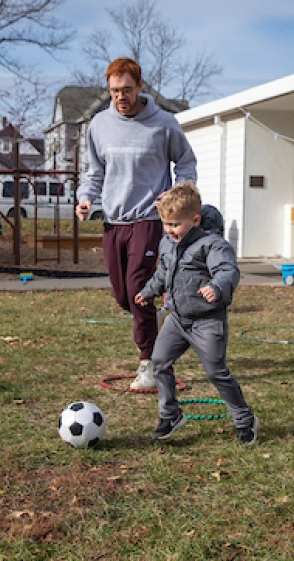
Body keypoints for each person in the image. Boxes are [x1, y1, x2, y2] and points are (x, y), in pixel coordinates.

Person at [76, 57, 197, 390]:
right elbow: (94, 171)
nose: (121, 97)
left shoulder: (163, 123)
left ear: (140, 87)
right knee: (122, 296)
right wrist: (86, 197)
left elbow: (186, 163)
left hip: (148, 219)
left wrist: (174, 198)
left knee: (138, 289)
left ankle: (149, 364)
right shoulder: (98, 125)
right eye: (115, 91)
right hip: (113, 220)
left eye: (127, 90)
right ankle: (151, 320)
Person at [134, 182, 258, 444]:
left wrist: (216, 286)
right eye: (166, 224)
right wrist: (147, 291)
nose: (171, 230)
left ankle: (245, 419)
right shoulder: (167, 243)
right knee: (159, 362)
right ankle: (170, 414)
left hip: (207, 321)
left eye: (176, 224)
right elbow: (162, 273)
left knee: (216, 372)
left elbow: (228, 271)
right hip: (178, 319)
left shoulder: (211, 245)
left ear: (195, 219)